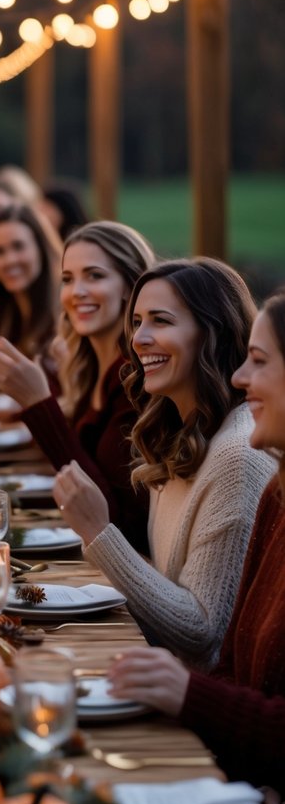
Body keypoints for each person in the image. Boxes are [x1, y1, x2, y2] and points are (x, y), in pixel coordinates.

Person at [107, 291, 285, 804]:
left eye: (260, 361)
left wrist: (189, 695)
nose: (239, 378)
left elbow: (206, 641)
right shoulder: (279, 496)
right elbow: (236, 665)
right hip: (248, 779)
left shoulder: (241, 462)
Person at [54, 258, 276, 671]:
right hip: (158, 671)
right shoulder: (178, 432)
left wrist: (99, 533)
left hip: (193, 706)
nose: (139, 339)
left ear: (213, 334)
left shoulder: (237, 455)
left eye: (161, 321)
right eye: (137, 321)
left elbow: (202, 634)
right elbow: (167, 583)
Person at [0, 221, 154, 552]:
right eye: (68, 279)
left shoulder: (135, 379)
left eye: (95, 275)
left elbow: (111, 517)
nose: (77, 292)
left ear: (130, 286)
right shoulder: (90, 368)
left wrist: (38, 403)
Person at [0, 201, 63, 365]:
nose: (9, 260)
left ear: (41, 249)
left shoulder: (63, 316)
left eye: (18, 247)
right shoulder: (5, 312)